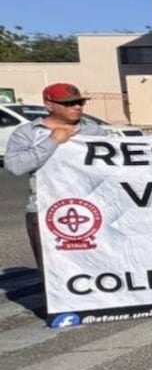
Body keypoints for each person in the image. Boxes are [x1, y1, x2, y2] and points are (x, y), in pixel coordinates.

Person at [3, 83, 106, 269]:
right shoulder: (27, 133)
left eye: (80, 102)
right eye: (68, 103)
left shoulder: (94, 130)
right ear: (49, 105)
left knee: (94, 266)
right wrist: (52, 141)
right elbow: (15, 166)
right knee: (52, 270)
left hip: (92, 207)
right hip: (45, 209)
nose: (77, 107)